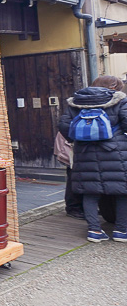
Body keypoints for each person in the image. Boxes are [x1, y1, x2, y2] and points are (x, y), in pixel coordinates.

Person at [57, 75, 127, 242]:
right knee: (122, 192)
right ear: (116, 86)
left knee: (90, 192)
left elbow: (63, 125)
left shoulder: (77, 101)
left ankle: (94, 231)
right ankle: (121, 231)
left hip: (84, 152)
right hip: (116, 152)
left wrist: (78, 140)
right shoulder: (119, 101)